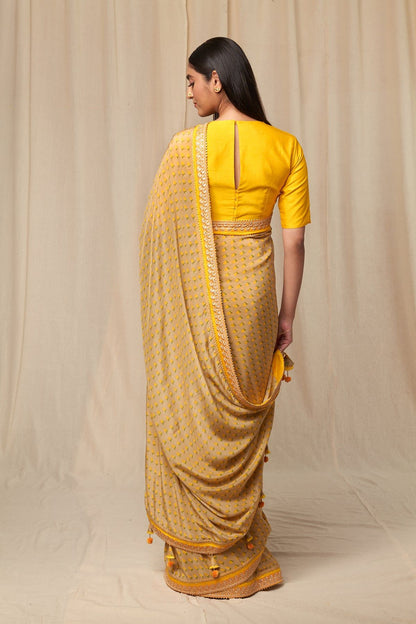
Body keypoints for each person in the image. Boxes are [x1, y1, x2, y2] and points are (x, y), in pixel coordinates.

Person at [139, 37, 310, 598]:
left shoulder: (184, 149)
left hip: (199, 292)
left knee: (201, 410)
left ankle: (201, 553)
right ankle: (240, 551)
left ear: (218, 79)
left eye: (192, 81)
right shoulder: (286, 146)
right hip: (256, 295)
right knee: (241, 419)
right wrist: (286, 316)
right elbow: (293, 245)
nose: (189, 93)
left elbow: (159, 233)